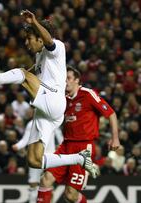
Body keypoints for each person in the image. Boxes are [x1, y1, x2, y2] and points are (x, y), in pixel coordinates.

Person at [0, 10, 100, 177]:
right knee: (34, 160)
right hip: (46, 112)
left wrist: (34, 23)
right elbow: (28, 74)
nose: (27, 43)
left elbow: (48, 42)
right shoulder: (40, 57)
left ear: (40, 38)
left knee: (23, 74)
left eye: (29, 39)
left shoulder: (58, 47)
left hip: (54, 100)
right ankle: (79, 159)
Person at [37, 67, 120, 203]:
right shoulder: (63, 99)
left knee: (70, 195)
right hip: (66, 146)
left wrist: (115, 138)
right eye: (64, 79)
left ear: (77, 80)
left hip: (83, 150)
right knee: (45, 180)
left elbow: (111, 113)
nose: (65, 82)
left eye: (68, 78)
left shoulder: (87, 94)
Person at [12, 119, 63, 203]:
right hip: (36, 156)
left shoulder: (54, 122)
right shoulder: (31, 123)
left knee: (48, 184)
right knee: (33, 184)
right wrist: (18, 145)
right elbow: (26, 139)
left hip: (51, 158)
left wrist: (62, 149)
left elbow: (61, 139)